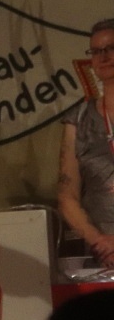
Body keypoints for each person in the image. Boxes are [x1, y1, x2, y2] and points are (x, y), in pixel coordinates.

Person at [57, 19, 114, 268]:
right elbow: (67, 196)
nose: (104, 56)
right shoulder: (78, 118)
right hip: (101, 255)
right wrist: (100, 242)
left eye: (111, 48)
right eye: (96, 51)